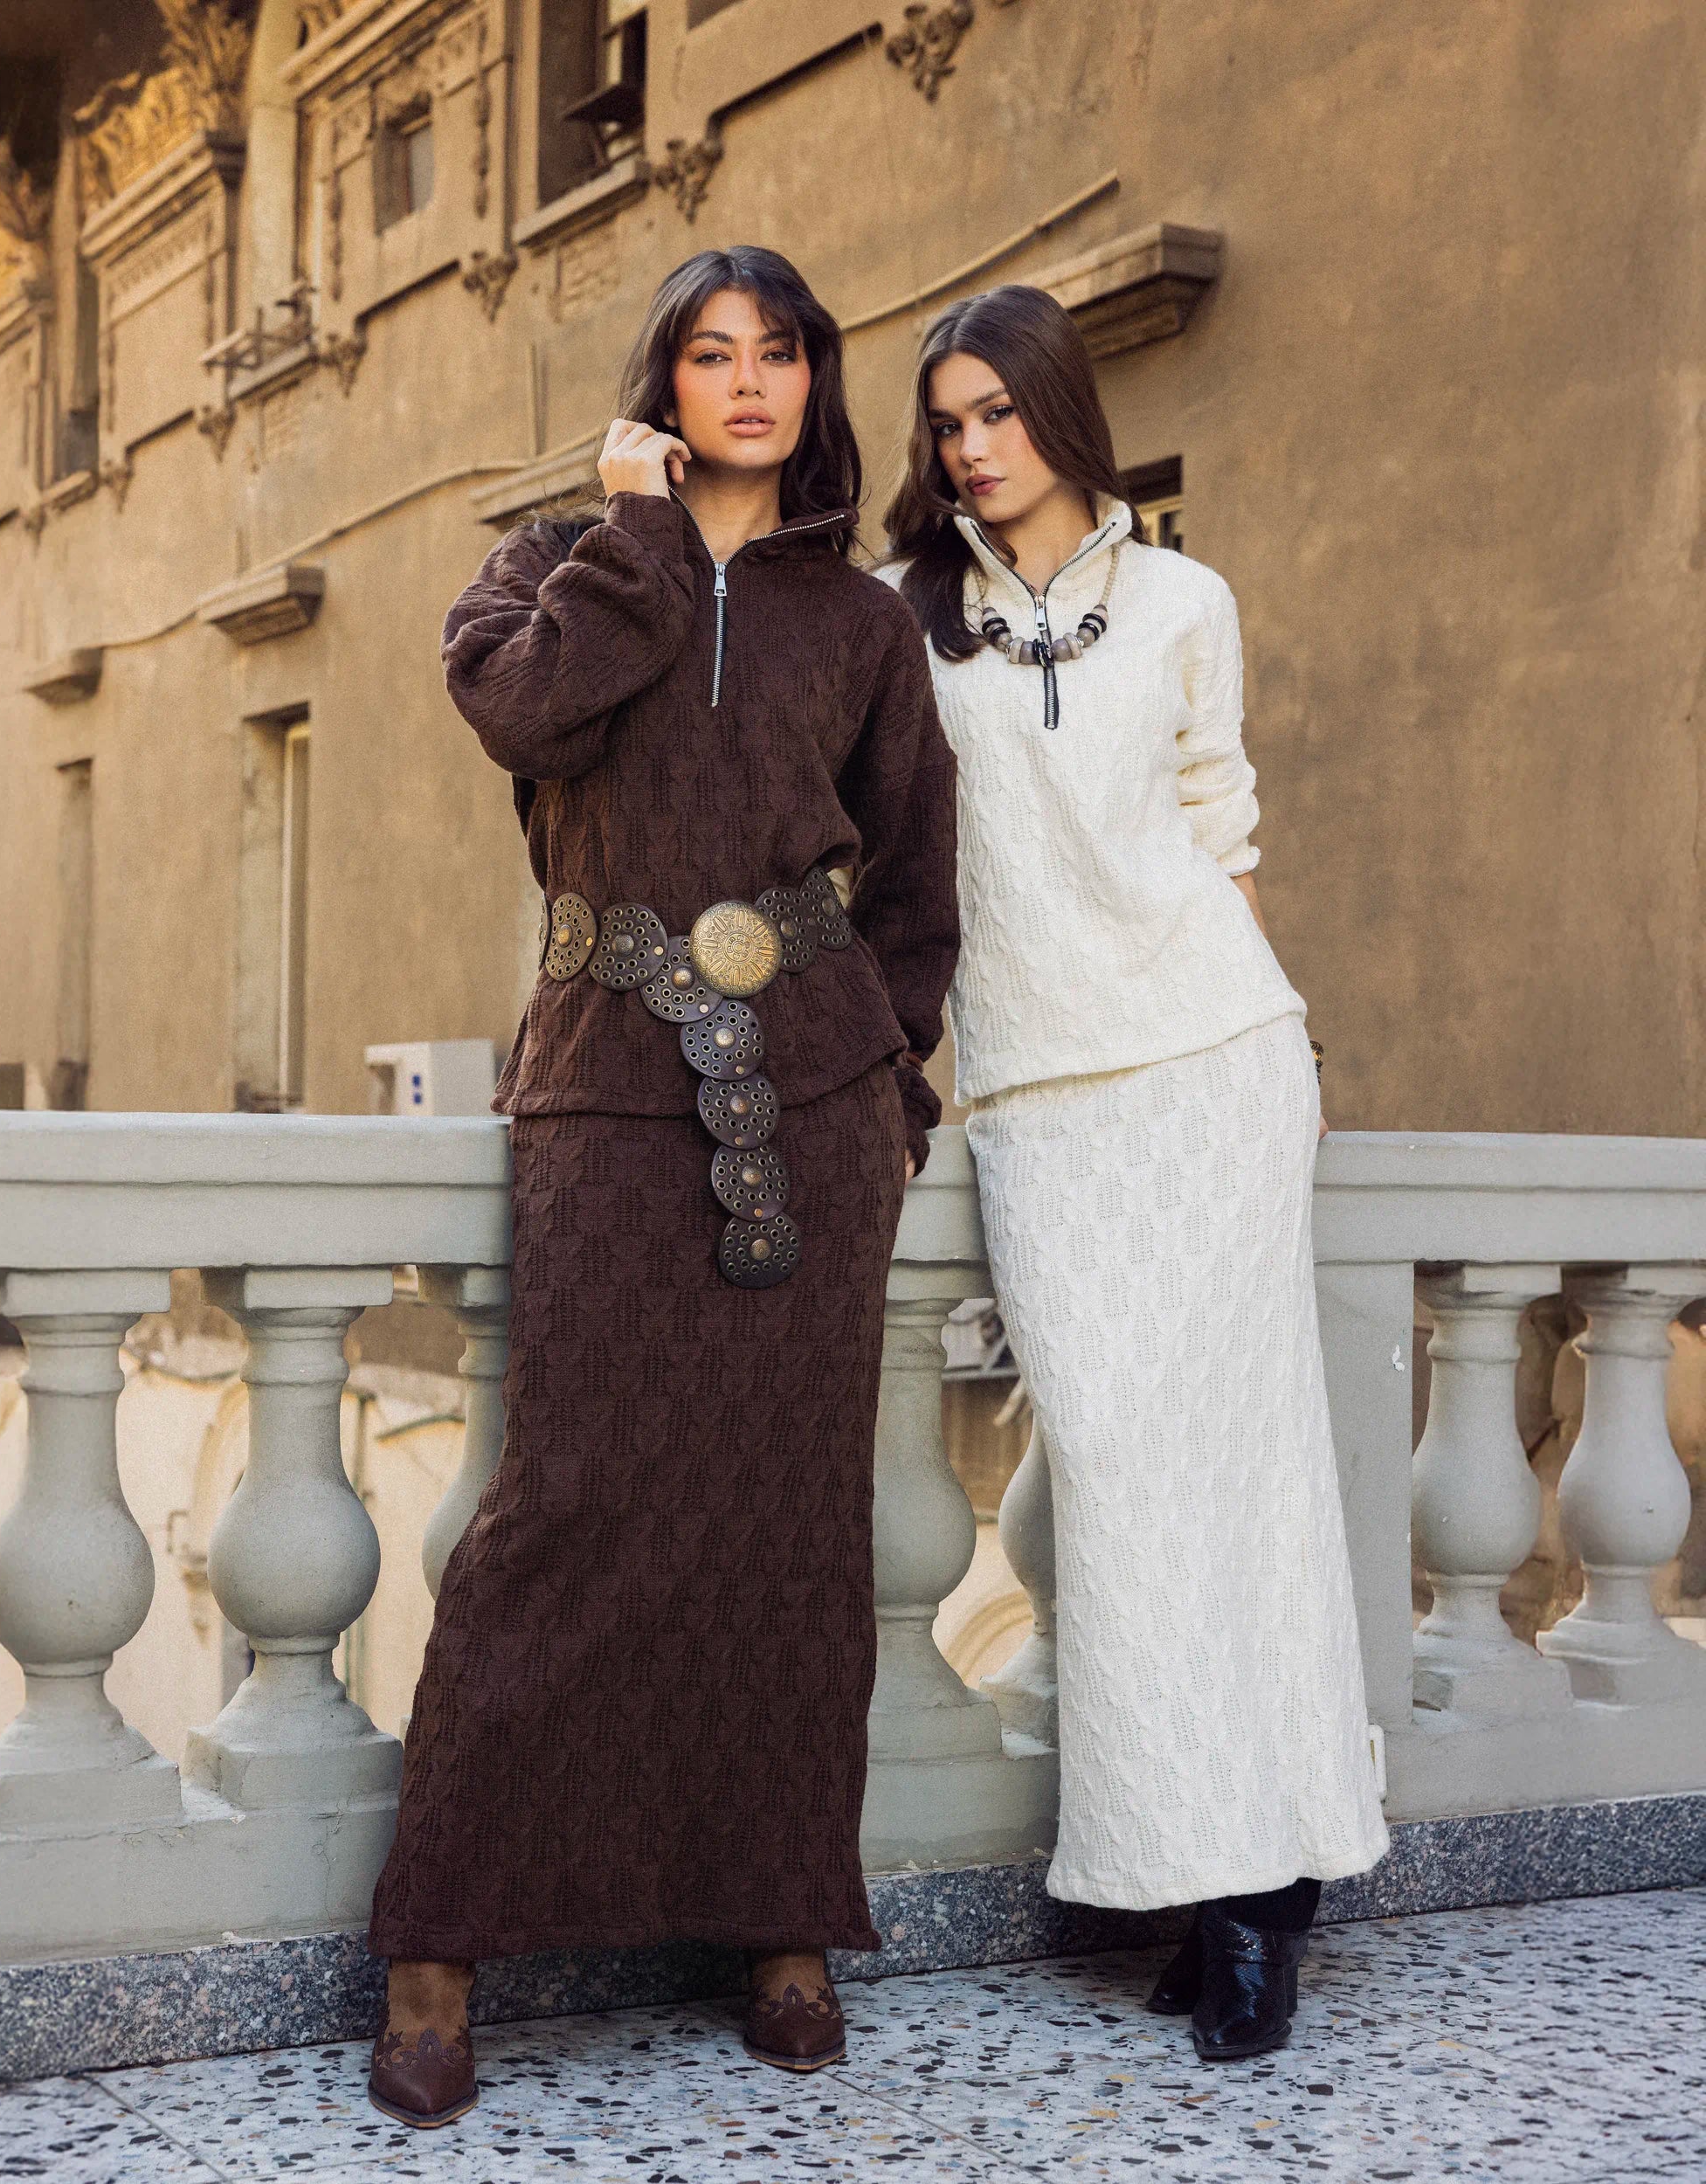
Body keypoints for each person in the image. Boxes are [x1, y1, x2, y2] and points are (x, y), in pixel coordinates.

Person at [364, 245, 957, 2126]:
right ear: (663, 384)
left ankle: (784, 1917)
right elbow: (527, 720)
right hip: (608, 1090)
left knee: (795, 1523)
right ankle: (440, 1944)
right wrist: (634, 537)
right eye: (712, 355)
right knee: (567, 1508)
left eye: (780, 353)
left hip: (820, 1103)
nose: (750, 383)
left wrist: (889, 1079)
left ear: (815, 385)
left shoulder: (863, 622)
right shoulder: (549, 568)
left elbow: (923, 884)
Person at [881, 283, 1387, 2063]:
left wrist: (1291, 1039)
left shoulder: (1185, 598)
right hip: (1034, 1091)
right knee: (1107, 1468)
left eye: (999, 408)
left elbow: (1216, 824)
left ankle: (1248, 1903)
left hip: (1207, 1059)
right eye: (947, 417)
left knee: (1242, 1470)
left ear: (1059, 410)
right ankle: (1222, 1863)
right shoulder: (905, 617)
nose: (972, 442)